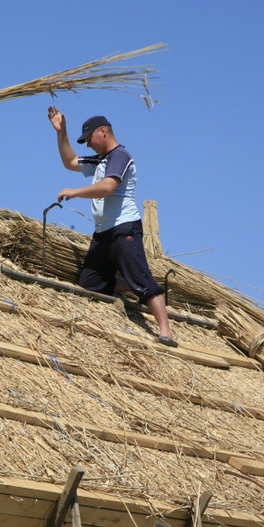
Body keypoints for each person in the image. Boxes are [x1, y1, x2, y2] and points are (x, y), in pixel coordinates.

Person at [47, 106, 177, 347]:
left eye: (89, 139)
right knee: (90, 284)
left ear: (103, 132)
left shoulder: (120, 156)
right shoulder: (100, 160)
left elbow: (108, 186)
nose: (88, 145)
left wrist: (75, 192)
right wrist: (61, 131)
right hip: (102, 234)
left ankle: (166, 330)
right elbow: (70, 161)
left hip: (123, 228)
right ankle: (130, 281)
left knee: (143, 278)